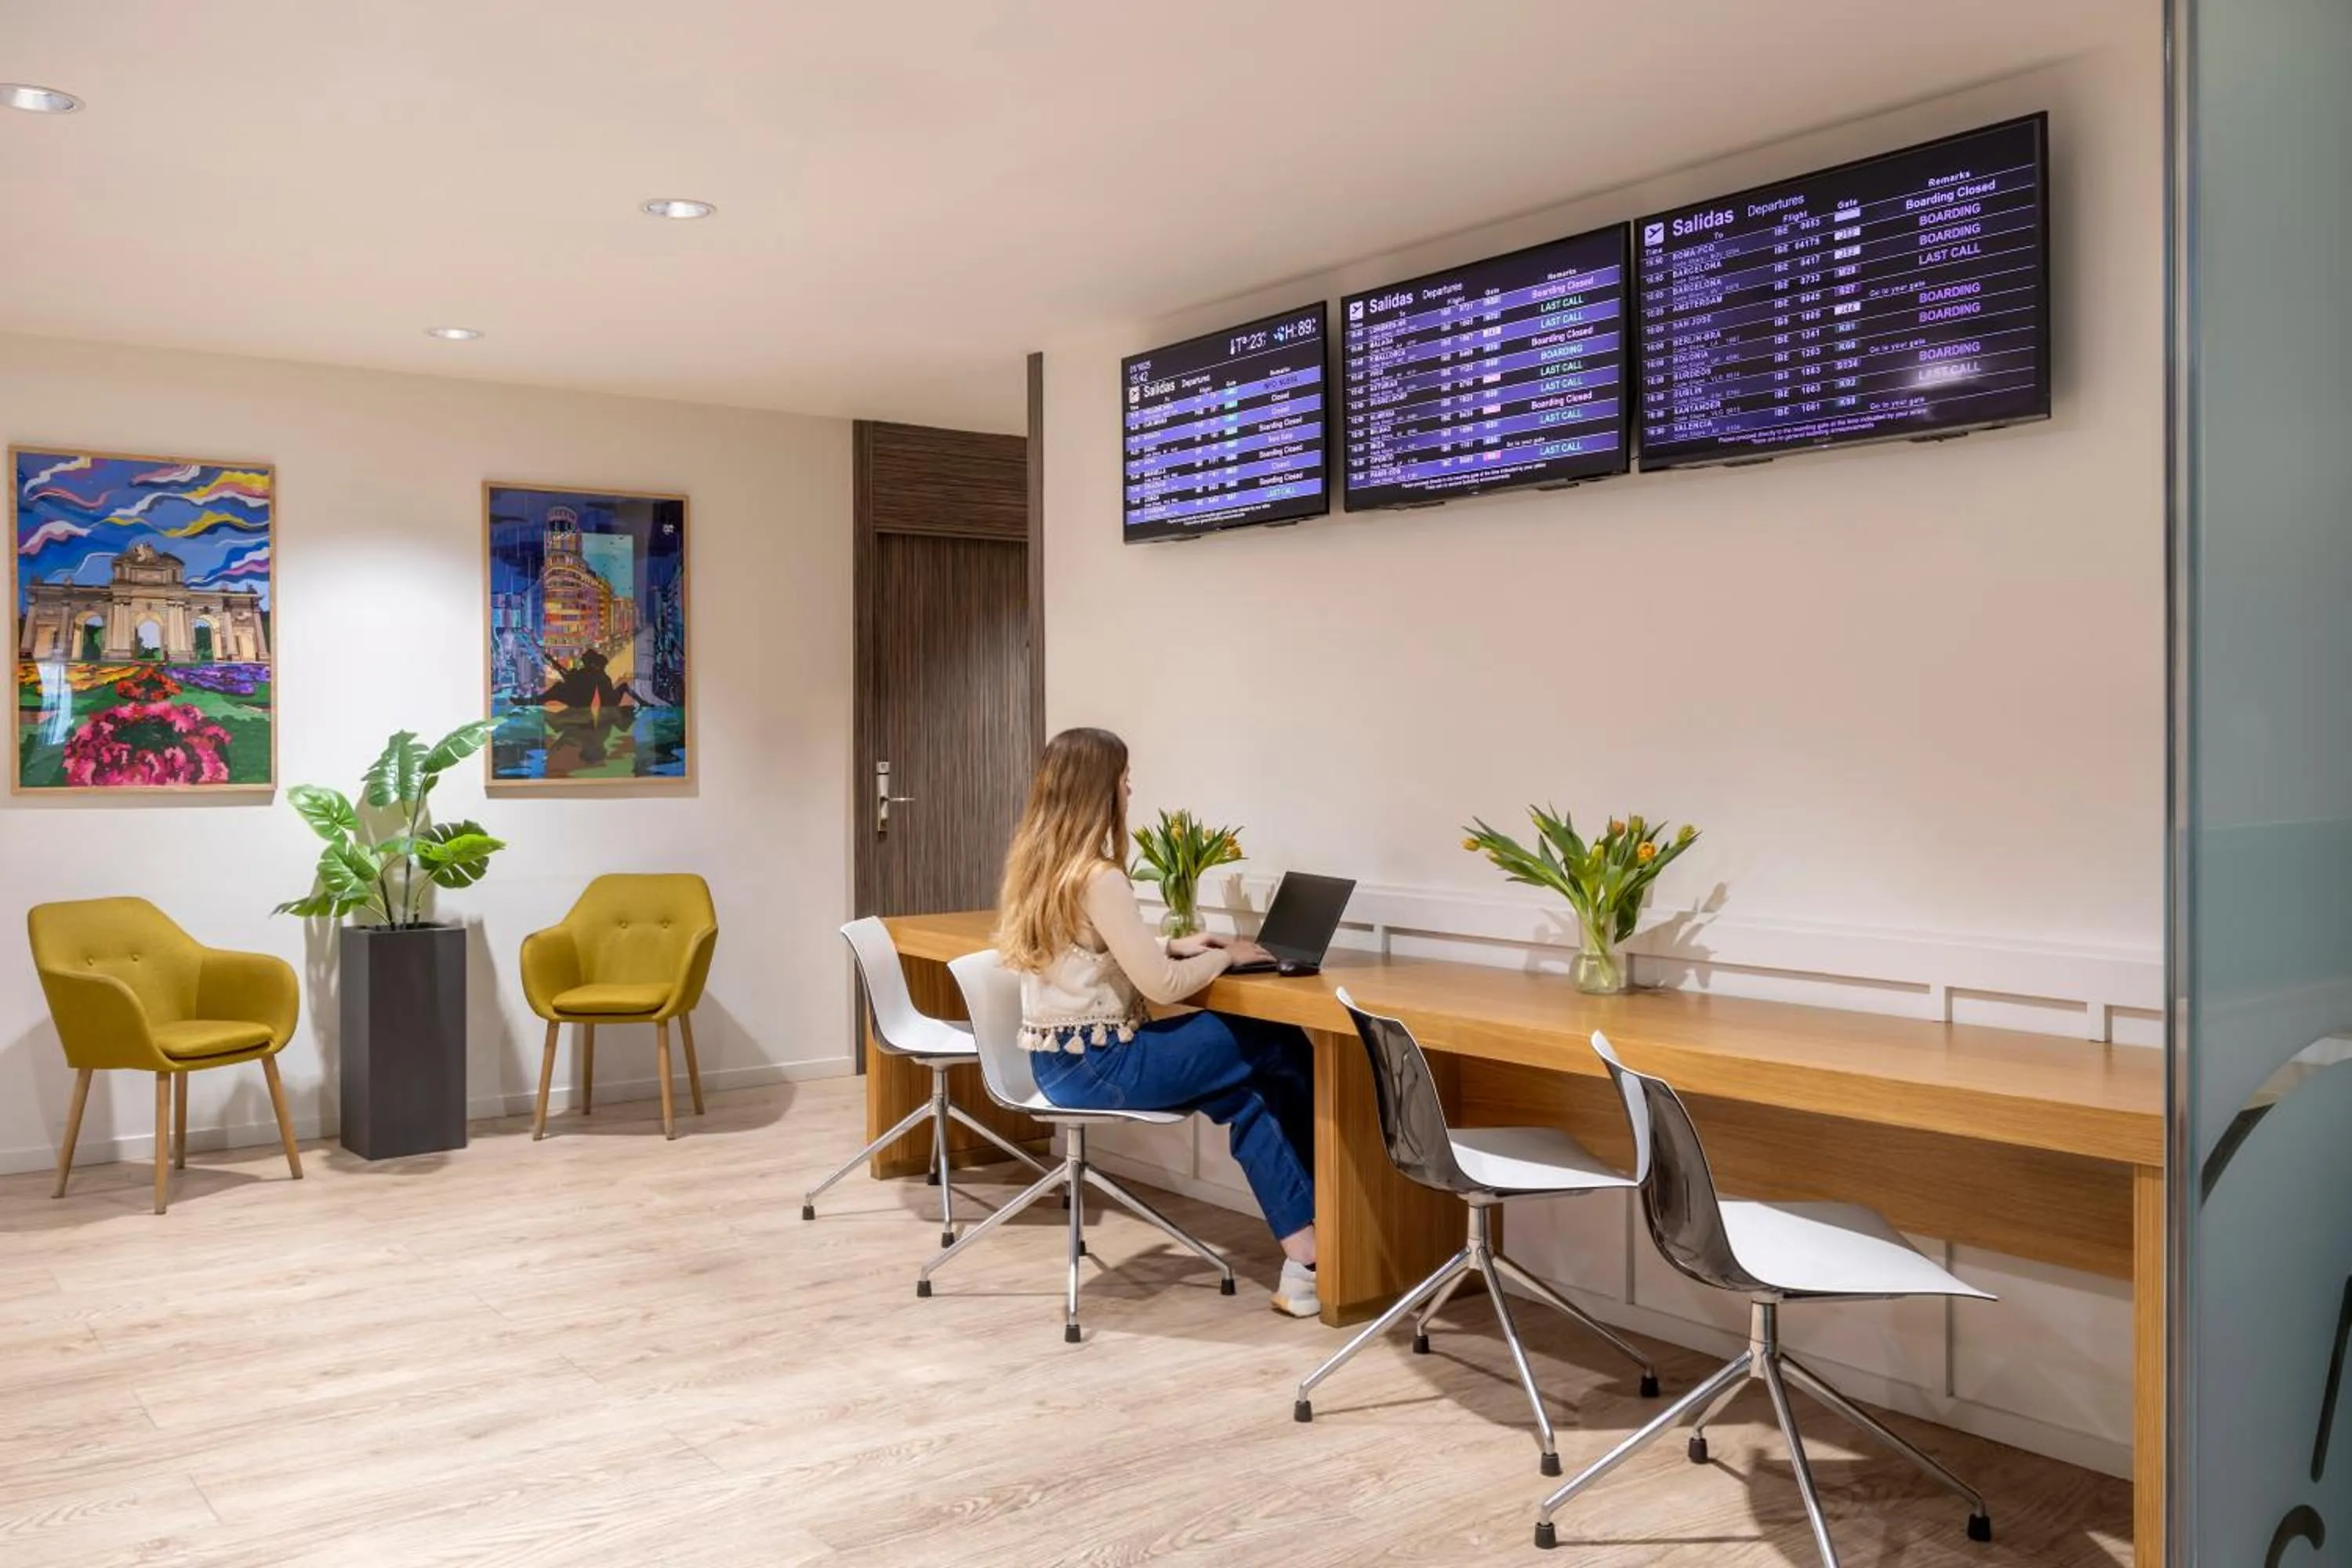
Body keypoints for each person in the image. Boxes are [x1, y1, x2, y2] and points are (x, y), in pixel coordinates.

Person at [996, 727, 1321, 1318]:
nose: (1130, 787)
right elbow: (1160, 988)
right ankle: (1345, 1208)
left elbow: (1095, 953)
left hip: (1059, 1065)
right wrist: (1228, 954)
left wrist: (1173, 942)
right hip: (1106, 1066)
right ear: (1100, 790)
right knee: (1274, 1039)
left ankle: (1308, 1264)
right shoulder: (1099, 876)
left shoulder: (1044, 867)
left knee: (1247, 1091)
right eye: (1122, 777)